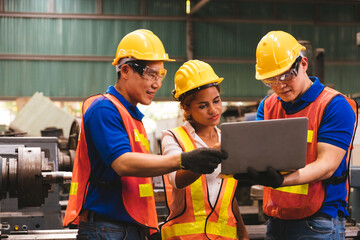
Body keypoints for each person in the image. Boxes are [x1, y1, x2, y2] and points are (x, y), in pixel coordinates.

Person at [62, 29, 227, 240]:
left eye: (160, 76)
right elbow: (123, 163)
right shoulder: (104, 108)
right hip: (107, 229)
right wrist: (184, 160)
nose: (157, 83)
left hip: (126, 228)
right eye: (151, 74)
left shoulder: (131, 116)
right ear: (125, 70)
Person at [235, 30, 357, 240]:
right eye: (270, 80)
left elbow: (326, 166)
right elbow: (261, 155)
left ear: (303, 64)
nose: (279, 85)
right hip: (276, 218)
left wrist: (280, 181)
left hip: (319, 221)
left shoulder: (334, 105)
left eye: (285, 75)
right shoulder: (268, 106)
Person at [161, 60, 249, 240]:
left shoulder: (229, 138)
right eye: (203, 105)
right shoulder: (173, 137)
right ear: (186, 107)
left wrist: (243, 232)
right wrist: (210, 156)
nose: (213, 110)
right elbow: (177, 180)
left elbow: (228, 196)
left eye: (216, 101)